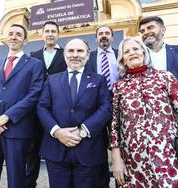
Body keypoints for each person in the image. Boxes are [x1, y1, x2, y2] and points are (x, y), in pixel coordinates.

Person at [110, 37, 178, 187]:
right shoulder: (119, 87)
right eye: (126, 51)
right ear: (123, 59)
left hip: (169, 153)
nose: (132, 53)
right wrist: (116, 158)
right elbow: (115, 125)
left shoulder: (164, 77)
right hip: (134, 159)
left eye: (135, 49)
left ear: (143, 51)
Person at [38, 38, 112, 188]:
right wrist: (57, 131)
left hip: (88, 150)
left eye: (80, 51)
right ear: (65, 55)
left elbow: (106, 107)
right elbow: (42, 107)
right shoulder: (51, 80)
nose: (75, 55)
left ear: (87, 55)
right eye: (71, 51)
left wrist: (83, 130)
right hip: (56, 150)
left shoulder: (99, 80)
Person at [0, 24, 44, 188]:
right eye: (11, 34)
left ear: (25, 40)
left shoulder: (35, 65)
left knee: (16, 180)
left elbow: (34, 95)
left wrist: (6, 117)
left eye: (19, 34)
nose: (14, 37)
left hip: (16, 130)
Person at [27, 21, 67, 188]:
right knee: (31, 154)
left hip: (57, 109)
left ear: (58, 34)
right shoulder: (32, 55)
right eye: (47, 31)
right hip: (35, 110)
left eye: (53, 31)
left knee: (57, 153)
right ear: (42, 34)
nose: (50, 34)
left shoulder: (66, 54)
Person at [139, 16, 178, 116]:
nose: (145, 32)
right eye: (142, 31)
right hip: (151, 120)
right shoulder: (138, 58)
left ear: (163, 30)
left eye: (150, 28)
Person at [86, 25, 119, 188]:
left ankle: (124, 182)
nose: (104, 36)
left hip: (121, 109)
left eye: (107, 33)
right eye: (100, 34)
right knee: (99, 149)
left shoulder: (122, 54)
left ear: (112, 38)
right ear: (96, 38)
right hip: (96, 109)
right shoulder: (89, 58)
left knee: (122, 147)